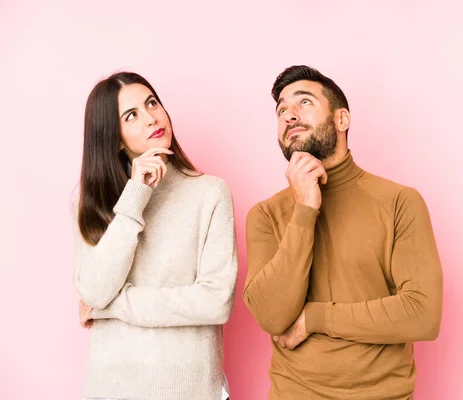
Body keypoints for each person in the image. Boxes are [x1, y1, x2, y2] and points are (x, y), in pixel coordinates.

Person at [243, 65, 443, 399]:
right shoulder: (266, 215)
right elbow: (271, 316)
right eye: (281, 110)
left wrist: (315, 317)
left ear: (342, 120)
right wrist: (305, 207)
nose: (289, 115)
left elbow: (423, 314)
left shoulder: (399, 202)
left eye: (303, 102)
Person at [73, 71, 237, 400]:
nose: (151, 118)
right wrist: (135, 196)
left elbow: (216, 301)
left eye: (152, 103)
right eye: (131, 115)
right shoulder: (95, 200)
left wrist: (114, 307)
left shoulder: (209, 193)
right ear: (115, 137)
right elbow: (95, 289)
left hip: (190, 388)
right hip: (111, 387)